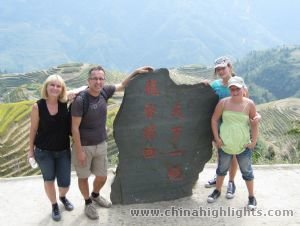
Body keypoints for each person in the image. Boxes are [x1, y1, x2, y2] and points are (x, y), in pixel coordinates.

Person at [71, 65, 153, 219]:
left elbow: (122, 85)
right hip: (84, 146)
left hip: (101, 144)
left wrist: (135, 72)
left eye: (101, 78)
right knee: (83, 177)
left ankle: (95, 195)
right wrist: (79, 150)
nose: (98, 81)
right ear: (88, 80)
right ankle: (88, 202)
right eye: (94, 78)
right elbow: (74, 128)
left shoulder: (104, 91)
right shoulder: (80, 100)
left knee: (102, 176)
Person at [203, 56, 260, 200]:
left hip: (236, 126)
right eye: (218, 69)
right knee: (222, 154)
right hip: (221, 125)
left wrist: (257, 116)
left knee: (234, 155)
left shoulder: (239, 84)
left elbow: (248, 105)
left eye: (223, 68)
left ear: (230, 67)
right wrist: (204, 85)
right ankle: (219, 178)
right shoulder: (215, 84)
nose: (221, 71)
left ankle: (231, 182)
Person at [28, 74, 74, 221]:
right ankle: (54, 205)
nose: (55, 88)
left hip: (63, 151)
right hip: (43, 151)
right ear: (46, 87)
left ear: (62, 89)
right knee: (48, 180)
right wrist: (30, 151)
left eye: (58, 86)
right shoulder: (38, 106)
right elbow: (33, 130)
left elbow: (83, 90)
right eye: (52, 85)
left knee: (65, 184)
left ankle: (62, 196)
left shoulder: (64, 103)